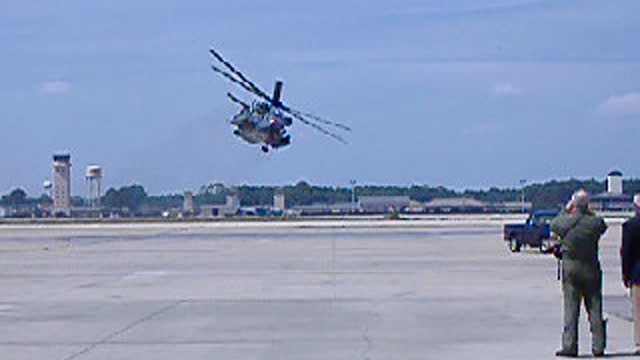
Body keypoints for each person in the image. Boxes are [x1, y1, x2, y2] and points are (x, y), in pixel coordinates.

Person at [551, 189, 608, 357]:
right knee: (595, 308)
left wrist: (567, 209)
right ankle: (598, 346)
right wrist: (586, 210)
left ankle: (570, 345)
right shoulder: (594, 223)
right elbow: (602, 224)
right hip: (591, 267)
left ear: (574, 204)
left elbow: (554, 223)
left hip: (571, 268)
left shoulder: (565, 222)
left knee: (571, 309)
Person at [621, 194, 640, 354]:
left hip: (637, 274)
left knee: (638, 310)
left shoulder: (630, 226)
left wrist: (625, 275)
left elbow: (626, 253)